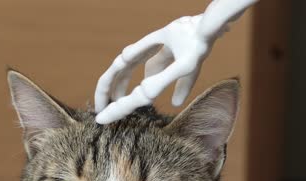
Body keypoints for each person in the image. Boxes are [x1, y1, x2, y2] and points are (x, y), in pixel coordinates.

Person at [94, 0, 259, 124]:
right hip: (189, 30)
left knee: (148, 66)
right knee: (150, 65)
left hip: (190, 32)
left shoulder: (191, 49)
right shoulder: (190, 40)